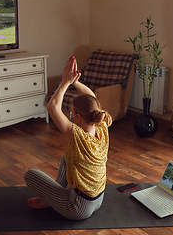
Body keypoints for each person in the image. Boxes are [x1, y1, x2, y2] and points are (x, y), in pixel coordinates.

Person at [24, 56, 112, 220]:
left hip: (77, 208)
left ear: (77, 117)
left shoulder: (78, 136)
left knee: (30, 175)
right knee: (68, 155)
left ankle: (54, 199)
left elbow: (52, 107)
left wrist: (65, 82)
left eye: (71, 112)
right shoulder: (102, 126)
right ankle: (54, 198)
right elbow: (91, 97)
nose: (69, 114)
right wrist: (74, 82)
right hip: (98, 199)